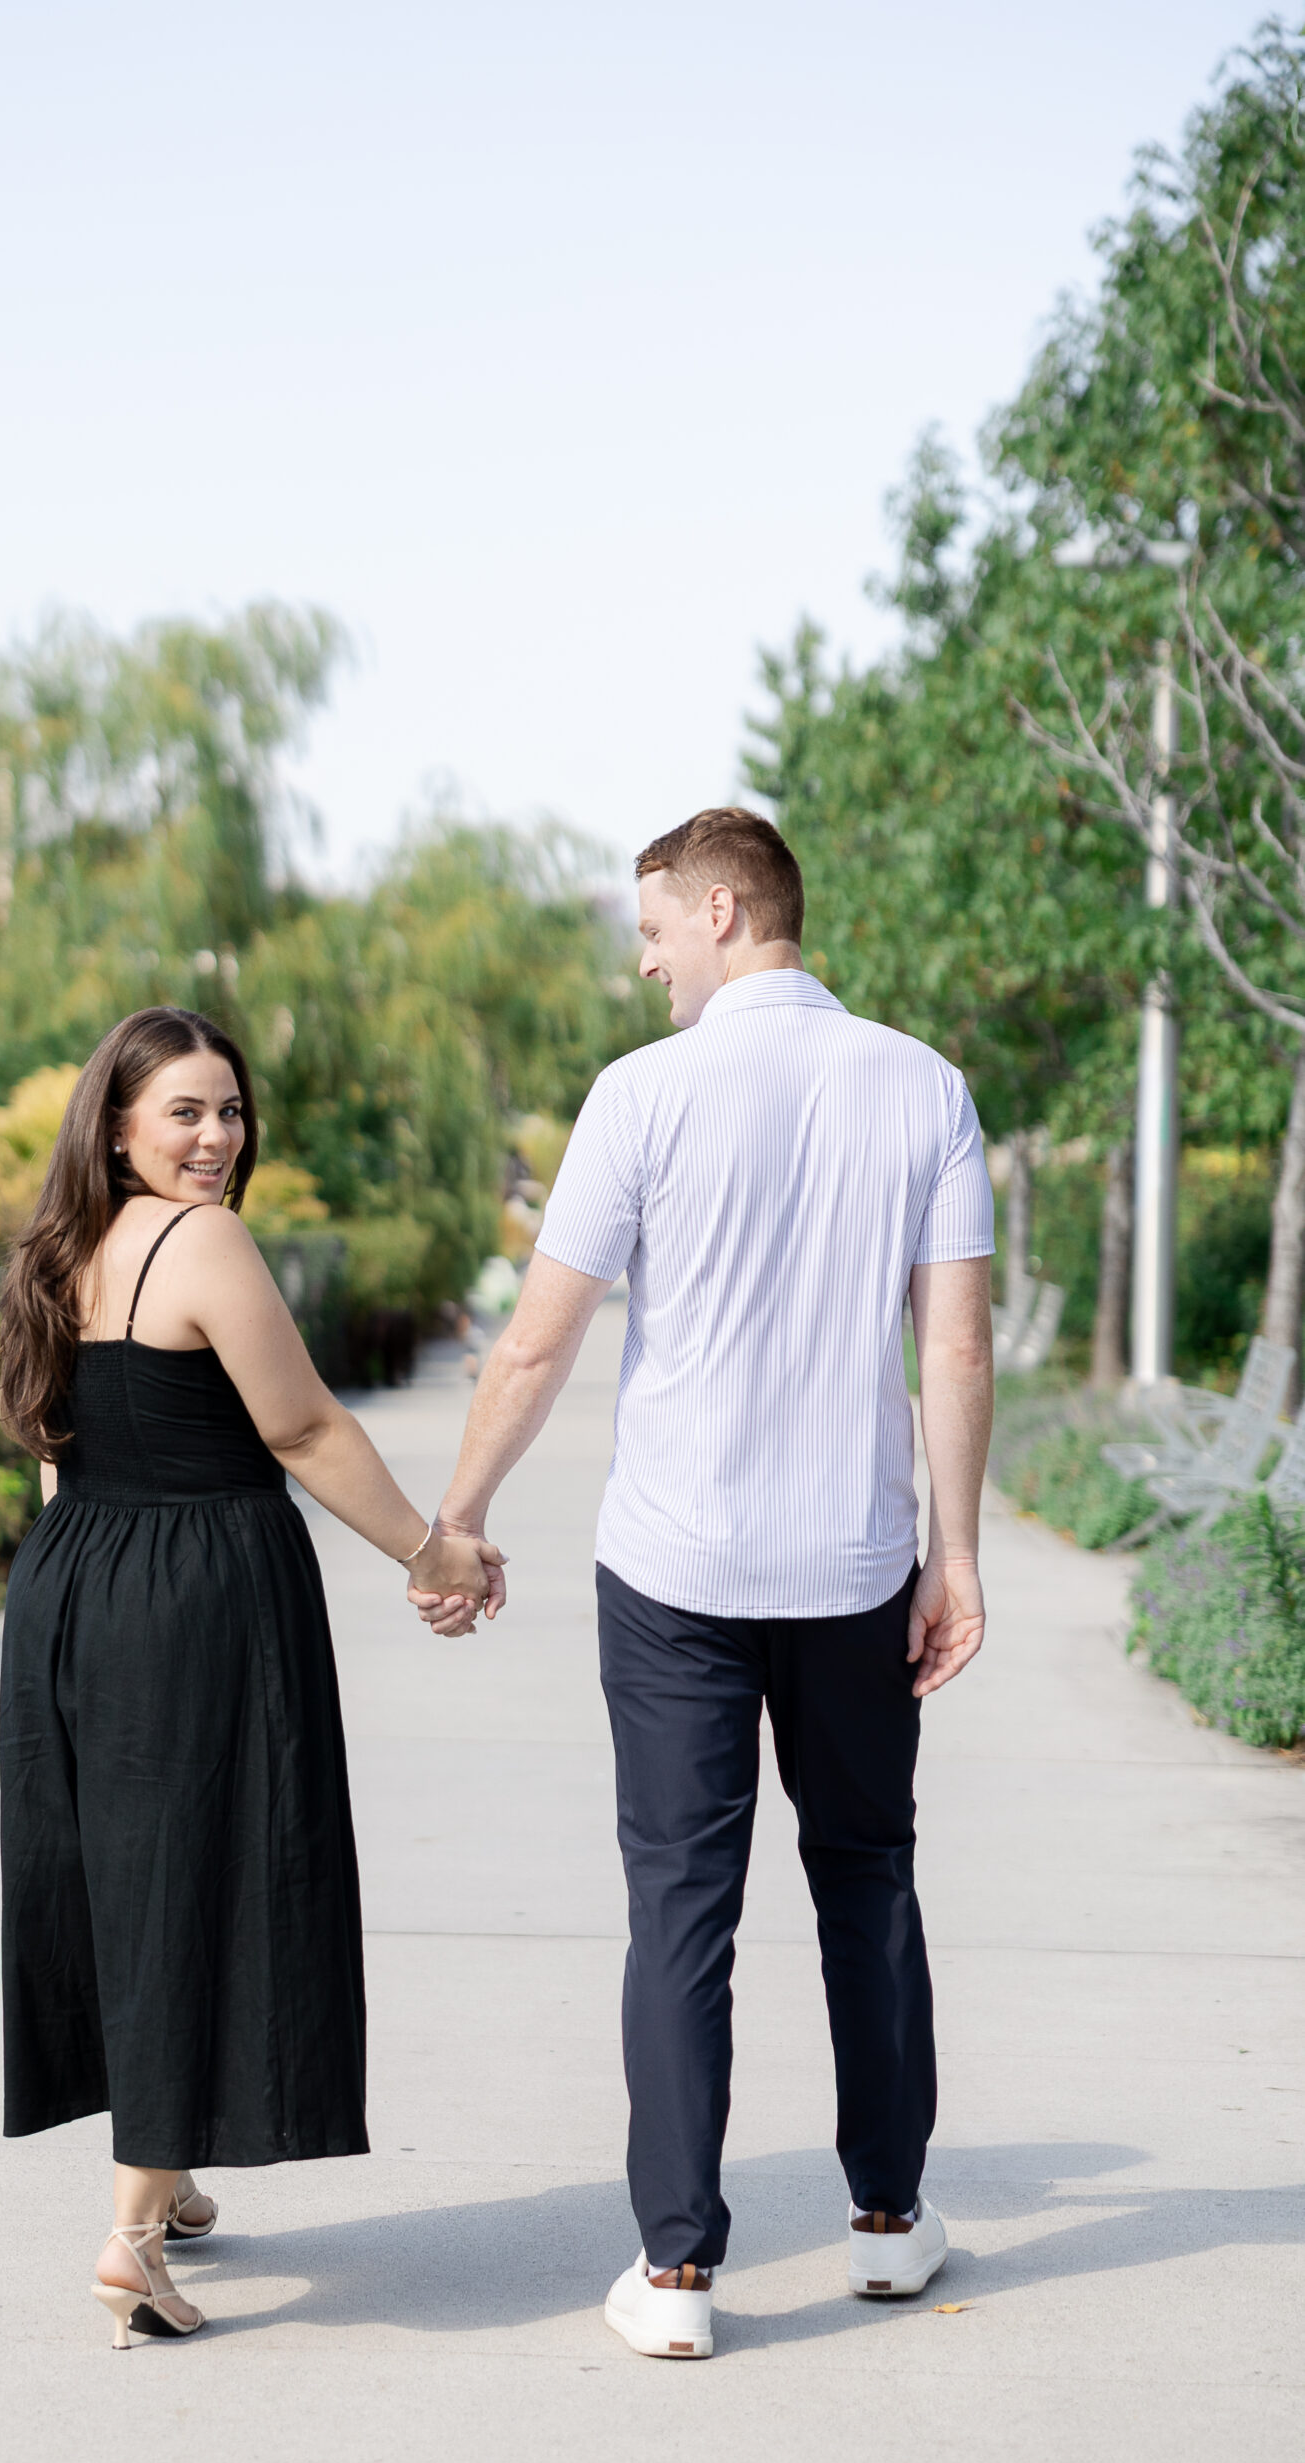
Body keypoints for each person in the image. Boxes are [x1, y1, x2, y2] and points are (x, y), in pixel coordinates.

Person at [412, 808, 995, 2360]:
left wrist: (457, 1520)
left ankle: (677, 2276)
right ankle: (889, 2224)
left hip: (675, 1572)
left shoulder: (641, 1097)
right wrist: (955, 1557)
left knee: (681, 1905)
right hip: (855, 1567)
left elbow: (536, 1342)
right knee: (867, 1877)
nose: (646, 960)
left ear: (725, 911)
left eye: (656, 927)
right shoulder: (924, 1087)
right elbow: (953, 1345)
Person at [0, 1006, 502, 2349]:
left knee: (124, 1880)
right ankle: (131, 2241)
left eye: (229, 1111)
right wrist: (433, 1552)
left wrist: (83, 1578)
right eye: (185, 1112)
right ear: (118, 1127)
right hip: (197, 1590)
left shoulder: (64, 1246)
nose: (216, 1137)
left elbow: (54, 1446)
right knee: (202, 1881)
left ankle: (167, 2165)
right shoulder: (202, 1242)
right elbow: (303, 1425)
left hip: (75, 1580)